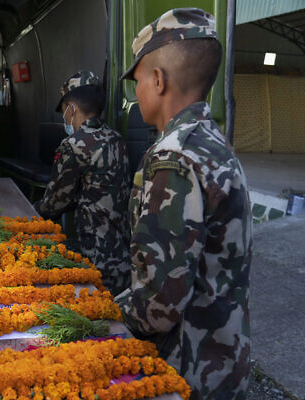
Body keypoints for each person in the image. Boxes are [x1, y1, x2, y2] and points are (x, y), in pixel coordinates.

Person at [115, 8, 252, 400]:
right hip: (225, 359)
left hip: (186, 372)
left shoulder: (173, 158)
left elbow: (159, 304)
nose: (135, 91)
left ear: (157, 80)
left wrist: (100, 314)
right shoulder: (213, 142)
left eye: (136, 80)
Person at [34, 71, 132, 295]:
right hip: (123, 258)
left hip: (94, 259)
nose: (64, 118)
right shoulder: (117, 139)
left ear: (72, 108)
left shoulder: (74, 144)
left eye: (63, 111)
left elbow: (53, 204)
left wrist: (31, 213)